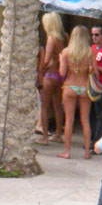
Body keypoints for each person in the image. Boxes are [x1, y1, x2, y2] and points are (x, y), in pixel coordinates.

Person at [57, 25, 95, 160]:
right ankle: (87, 153)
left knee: (69, 120)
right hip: (84, 87)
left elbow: (62, 73)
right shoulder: (90, 52)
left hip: (70, 86)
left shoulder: (66, 52)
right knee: (85, 120)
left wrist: (61, 60)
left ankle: (67, 151)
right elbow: (95, 72)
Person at [37, 12, 66, 144]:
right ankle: (58, 134)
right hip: (59, 75)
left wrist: (41, 70)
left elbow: (47, 59)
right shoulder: (64, 37)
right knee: (57, 106)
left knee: (44, 106)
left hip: (49, 75)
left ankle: (44, 136)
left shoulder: (51, 39)